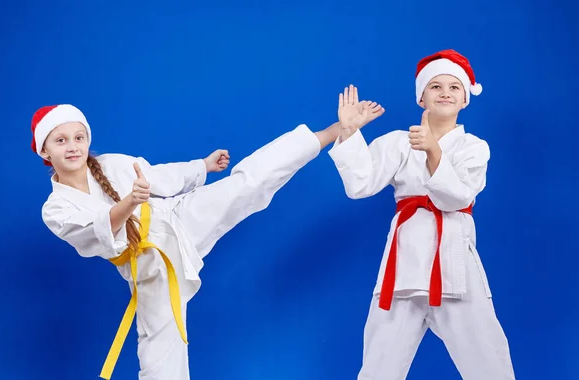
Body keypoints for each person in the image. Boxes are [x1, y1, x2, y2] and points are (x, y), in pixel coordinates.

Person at [32, 99, 379, 379]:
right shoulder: (56, 208)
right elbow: (96, 232)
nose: (73, 146)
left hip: (178, 218)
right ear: (45, 152)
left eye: (79, 137)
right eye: (61, 140)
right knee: (159, 355)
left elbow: (160, 176)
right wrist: (130, 202)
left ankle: (335, 130)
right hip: (148, 266)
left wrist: (202, 167)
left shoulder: (112, 164)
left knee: (247, 184)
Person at [328, 50, 516, 379]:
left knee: (488, 359)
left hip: (455, 266)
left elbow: (456, 198)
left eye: (454, 87)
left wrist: (432, 149)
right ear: (421, 97)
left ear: (465, 98)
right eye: (436, 86)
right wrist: (349, 132)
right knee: (380, 363)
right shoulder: (399, 143)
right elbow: (360, 185)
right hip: (404, 265)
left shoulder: (474, 147)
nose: (445, 92)